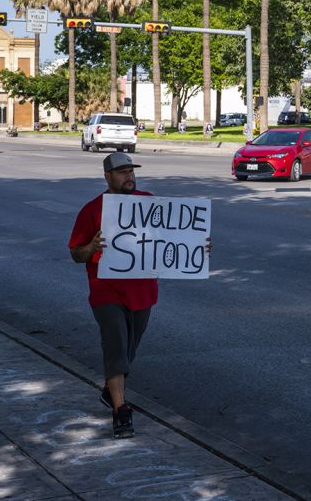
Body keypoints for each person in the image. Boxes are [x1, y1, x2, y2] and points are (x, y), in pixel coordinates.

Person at [68, 151, 212, 439]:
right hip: (105, 289)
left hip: (143, 290)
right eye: (122, 173)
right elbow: (75, 254)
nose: (129, 177)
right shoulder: (92, 210)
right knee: (116, 345)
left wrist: (197, 244)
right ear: (107, 176)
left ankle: (111, 391)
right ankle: (121, 411)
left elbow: (171, 238)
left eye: (131, 171)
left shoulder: (149, 202)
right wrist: (92, 248)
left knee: (128, 349)